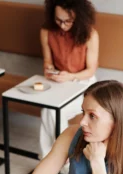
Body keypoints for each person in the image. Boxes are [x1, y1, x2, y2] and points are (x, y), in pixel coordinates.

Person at [40, 0, 99, 159]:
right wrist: (49, 71)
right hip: (59, 82)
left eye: (68, 21)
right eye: (58, 20)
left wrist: (71, 76)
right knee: (49, 110)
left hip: (83, 84)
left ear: (78, 17)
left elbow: (90, 70)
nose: (62, 25)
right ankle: (57, 159)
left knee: (53, 111)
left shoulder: (90, 35)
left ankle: (57, 158)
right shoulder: (47, 31)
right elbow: (47, 61)